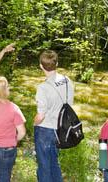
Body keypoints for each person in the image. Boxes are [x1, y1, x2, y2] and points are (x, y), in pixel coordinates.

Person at [34, 50, 74, 182]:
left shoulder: (43, 87)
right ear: (57, 63)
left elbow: (41, 115)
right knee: (54, 162)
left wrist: (34, 123)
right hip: (61, 129)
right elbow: (70, 103)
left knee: (44, 165)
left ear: (40, 65)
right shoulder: (67, 80)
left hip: (45, 130)